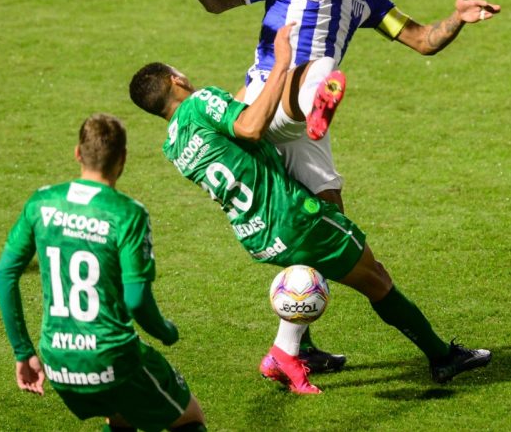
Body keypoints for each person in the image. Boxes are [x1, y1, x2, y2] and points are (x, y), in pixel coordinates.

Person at [129, 24, 491, 395]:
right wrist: (281, 63)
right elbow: (250, 127)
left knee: (313, 271)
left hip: (257, 233)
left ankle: (298, 350)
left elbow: (238, 128)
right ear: (175, 80)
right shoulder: (201, 101)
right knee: (377, 280)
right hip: (295, 219)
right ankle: (442, 357)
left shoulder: (173, 145)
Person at [160, 0, 501, 213]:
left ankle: (336, 266)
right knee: (324, 68)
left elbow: (423, 40)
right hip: (266, 95)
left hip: (306, 118)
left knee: (332, 214)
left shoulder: (370, 2)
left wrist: (458, 18)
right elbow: (219, 1)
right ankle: (313, 106)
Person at [0, 114, 207, 432]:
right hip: (112, 357)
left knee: (119, 414)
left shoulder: (41, 202)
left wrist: (24, 351)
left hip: (59, 362)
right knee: (189, 417)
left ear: (77, 154)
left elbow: (5, 274)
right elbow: (136, 299)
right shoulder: (127, 213)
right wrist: (165, 331)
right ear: (123, 158)